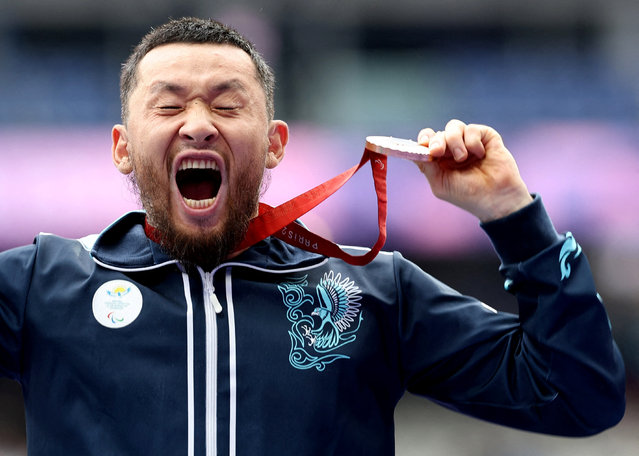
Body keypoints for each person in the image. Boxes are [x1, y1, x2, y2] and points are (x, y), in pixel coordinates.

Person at [0, 17, 625, 456]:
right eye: (167, 107)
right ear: (122, 149)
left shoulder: (370, 290)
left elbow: (577, 397)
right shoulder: (41, 284)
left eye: (226, 104)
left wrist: (512, 216)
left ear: (274, 144)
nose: (197, 125)